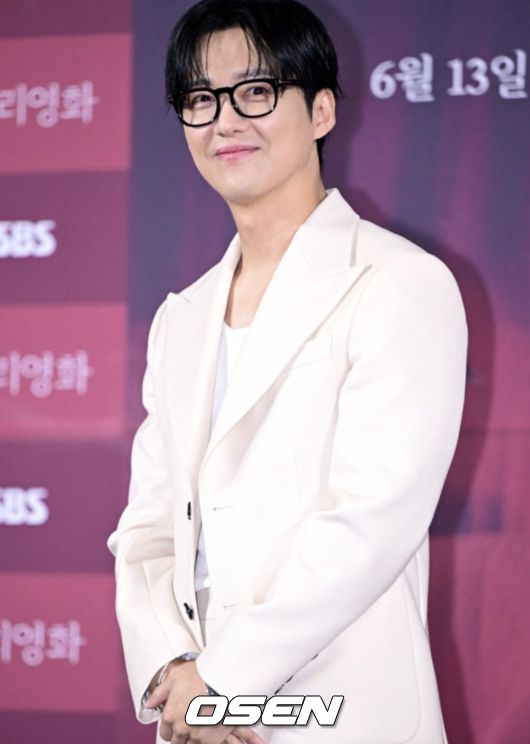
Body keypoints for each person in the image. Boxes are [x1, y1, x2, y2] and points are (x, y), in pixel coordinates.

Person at [107, 1, 468, 742]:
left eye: (256, 91)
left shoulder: (399, 281)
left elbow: (372, 518)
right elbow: (148, 526)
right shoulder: (181, 318)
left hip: (341, 706)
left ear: (322, 110)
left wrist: (226, 682)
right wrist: (172, 667)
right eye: (201, 99)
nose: (225, 121)